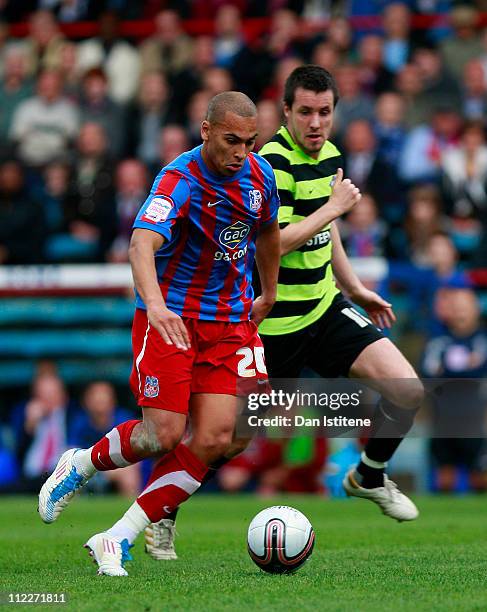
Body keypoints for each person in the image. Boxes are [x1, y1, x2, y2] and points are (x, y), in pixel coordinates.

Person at [146, 65, 424, 562]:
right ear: (286, 113)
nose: (317, 123)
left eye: (325, 113)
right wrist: (333, 209)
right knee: (224, 444)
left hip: (322, 308)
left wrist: (355, 285)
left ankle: (368, 475)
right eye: (306, 113)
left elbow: (327, 232)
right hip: (270, 328)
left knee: (407, 388)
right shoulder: (266, 163)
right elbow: (264, 243)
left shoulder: (331, 156)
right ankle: (161, 512)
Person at [38, 91, 281, 576]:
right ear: (206, 130)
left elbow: (269, 231)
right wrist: (154, 305)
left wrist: (269, 292)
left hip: (231, 320)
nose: (241, 153)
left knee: (229, 435)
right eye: (232, 141)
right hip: (173, 320)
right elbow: (140, 243)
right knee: (162, 435)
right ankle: (83, 463)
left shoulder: (260, 174)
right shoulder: (179, 179)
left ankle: (121, 534)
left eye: (250, 142)